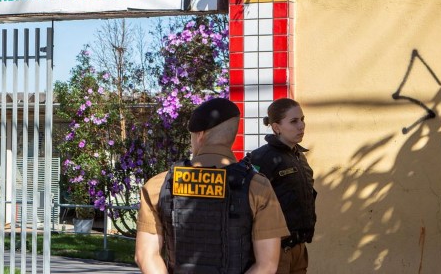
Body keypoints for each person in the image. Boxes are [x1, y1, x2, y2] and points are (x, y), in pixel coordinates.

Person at [135, 97, 289, 274]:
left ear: (200, 135)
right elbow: (267, 265)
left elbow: (145, 256)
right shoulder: (257, 187)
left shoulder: (159, 184)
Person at [248, 98, 317, 274]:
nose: (301, 126)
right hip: (275, 252)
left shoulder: (299, 156)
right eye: (294, 121)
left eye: (302, 119)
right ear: (276, 127)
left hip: (299, 248)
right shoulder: (262, 158)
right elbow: (247, 203)